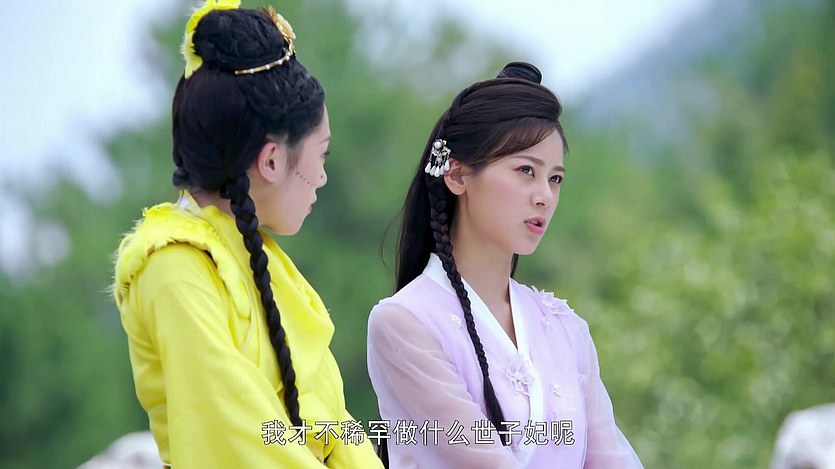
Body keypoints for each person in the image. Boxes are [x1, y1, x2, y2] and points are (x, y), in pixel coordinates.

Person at [112, 1, 382, 467]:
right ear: (272, 160)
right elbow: (237, 439)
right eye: (321, 154)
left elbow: (336, 429)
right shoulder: (173, 267)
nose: (321, 177)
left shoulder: (260, 257)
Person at [367, 62, 643, 468]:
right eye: (526, 171)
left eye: (555, 179)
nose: (544, 196)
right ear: (457, 174)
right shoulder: (405, 323)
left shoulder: (565, 328)